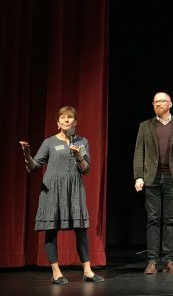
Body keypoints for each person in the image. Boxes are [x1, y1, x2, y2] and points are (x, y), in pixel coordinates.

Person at [19, 106, 104, 285]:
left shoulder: (82, 142)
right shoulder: (49, 142)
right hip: (52, 191)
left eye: (70, 117)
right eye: (63, 118)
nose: (66, 120)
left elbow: (86, 169)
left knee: (81, 229)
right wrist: (27, 156)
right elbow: (34, 166)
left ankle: (87, 271)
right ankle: (56, 272)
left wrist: (78, 156)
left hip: (74, 190)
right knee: (51, 230)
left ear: (75, 122)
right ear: (58, 123)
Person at [133, 92, 173, 274]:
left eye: (161, 101)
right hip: (152, 178)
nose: (158, 104)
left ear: (170, 104)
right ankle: (152, 261)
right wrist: (138, 176)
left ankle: (168, 260)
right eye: (155, 102)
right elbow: (139, 152)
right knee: (152, 219)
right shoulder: (145, 125)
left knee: (170, 219)